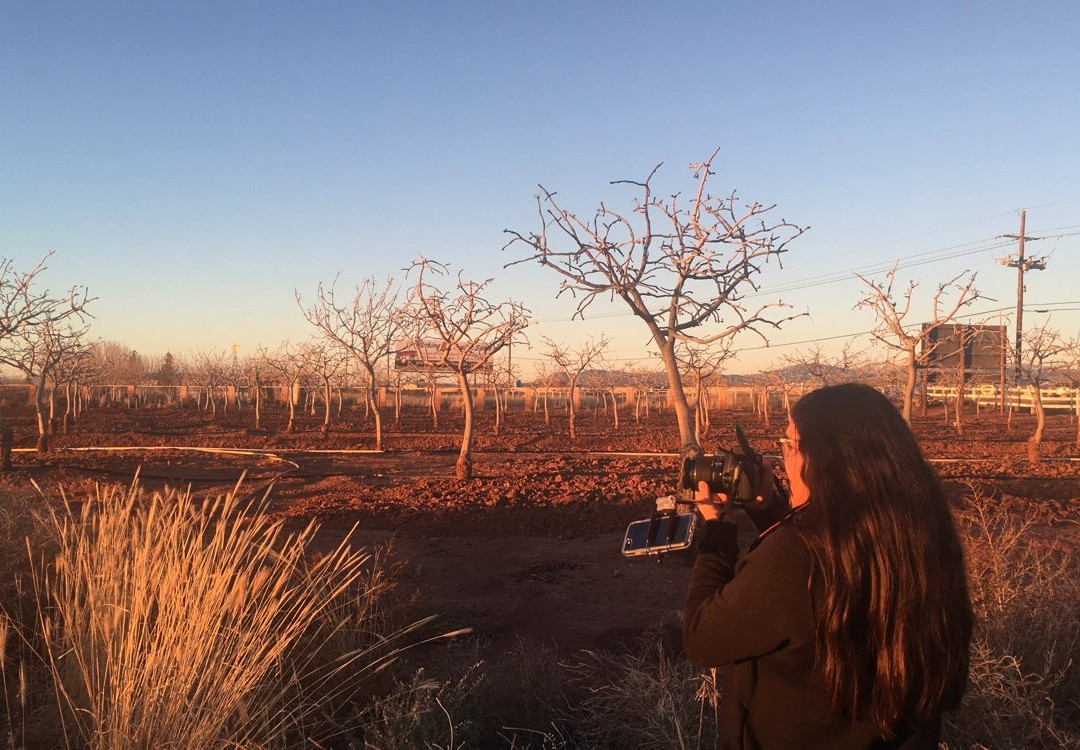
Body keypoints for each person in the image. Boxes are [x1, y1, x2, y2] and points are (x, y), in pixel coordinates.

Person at [683, 383, 972, 749]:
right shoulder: (921, 537)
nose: (781, 460)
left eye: (789, 445)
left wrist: (717, 531)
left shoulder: (796, 554)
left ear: (825, 458)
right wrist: (769, 510)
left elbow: (702, 637)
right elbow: (824, 576)